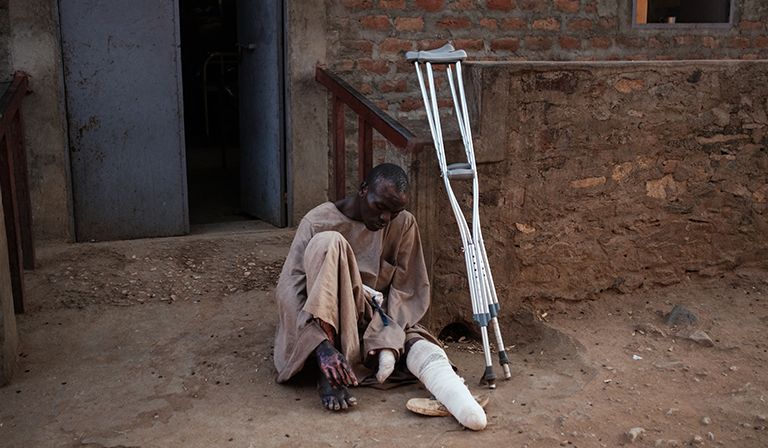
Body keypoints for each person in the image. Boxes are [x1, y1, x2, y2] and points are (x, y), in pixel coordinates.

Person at [273, 163, 486, 430]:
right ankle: (326, 363)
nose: (385, 218)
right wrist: (319, 344)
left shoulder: (403, 224)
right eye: (380, 207)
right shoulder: (317, 222)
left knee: (417, 345)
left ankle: (455, 396)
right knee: (329, 243)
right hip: (327, 322)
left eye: (393, 212)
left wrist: (384, 340)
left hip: (378, 318)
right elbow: (290, 291)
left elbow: (407, 291)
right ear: (363, 190)